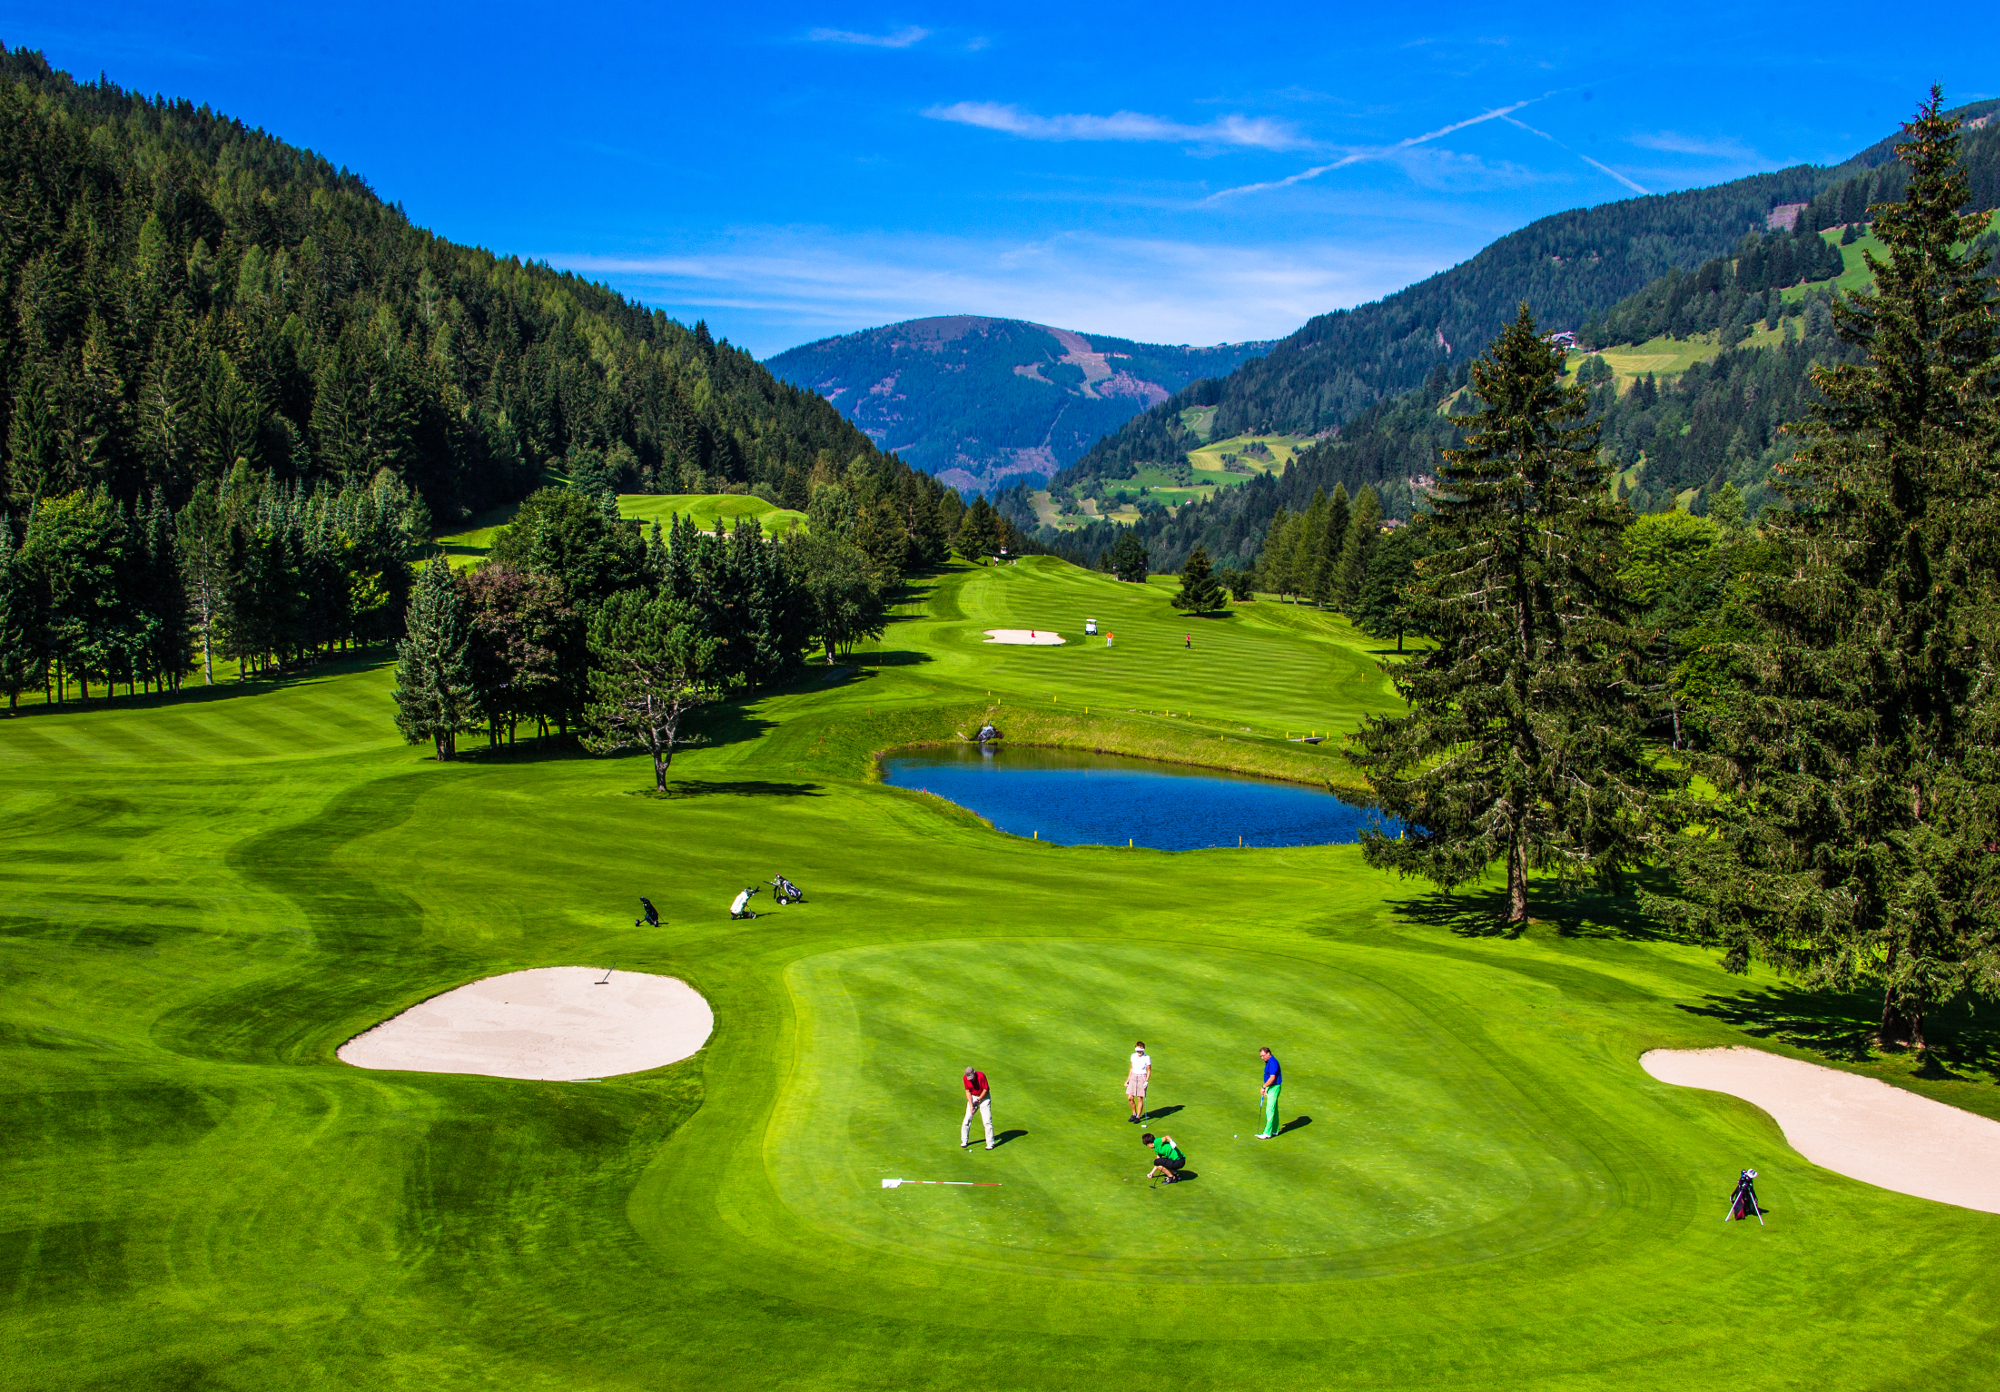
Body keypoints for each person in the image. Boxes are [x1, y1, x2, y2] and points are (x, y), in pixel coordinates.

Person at [960, 1066, 994, 1150]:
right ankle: (964, 1140)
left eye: (972, 1077)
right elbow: (967, 1092)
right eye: (969, 1078)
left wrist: (978, 1100)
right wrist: (971, 1105)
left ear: (974, 1073)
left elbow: (985, 1089)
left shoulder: (981, 1076)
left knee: (987, 1121)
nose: (971, 1080)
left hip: (984, 1098)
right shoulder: (965, 1079)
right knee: (967, 1119)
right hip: (973, 1097)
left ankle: (990, 1143)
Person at [1256, 1047, 1282, 1139]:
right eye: (1261, 1056)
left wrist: (1264, 1087)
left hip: (1274, 1087)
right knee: (1274, 1109)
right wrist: (1267, 1089)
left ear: (1268, 1053)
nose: (1262, 1058)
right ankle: (1275, 1130)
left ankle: (1267, 1133)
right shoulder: (1269, 1062)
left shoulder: (1273, 1062)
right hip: (1272, 1087)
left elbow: (1272, 1078)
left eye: (1263, 1056)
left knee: (1269, 1110)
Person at [1125, 1040, 1152, 1122]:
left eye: (1141, 1050)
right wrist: (1128, 1080)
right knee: (1130, 1097)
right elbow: (1131, 1068)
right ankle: (1134, 1114)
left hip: (1142, 1077)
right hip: (1133, 1076)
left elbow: (1149, 1070)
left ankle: (1138, 1116)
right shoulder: (1133, 1056)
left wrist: (1146, 1081)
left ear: (1143, 1049)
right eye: (1138, 1050)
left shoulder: (1147, 1057)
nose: (1139, 1052)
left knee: (1139, 1098)